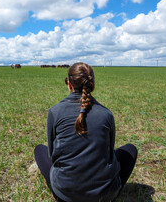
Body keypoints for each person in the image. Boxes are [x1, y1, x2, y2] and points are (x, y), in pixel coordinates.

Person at [34, 62, 138, 202]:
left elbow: (52, 155)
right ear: (92, 85)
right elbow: (109, 152)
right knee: (130, 150)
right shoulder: (106, 114)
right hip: (104, 195)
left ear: (69, 84)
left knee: (40, 150)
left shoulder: (55, 111)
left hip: (66, 195)